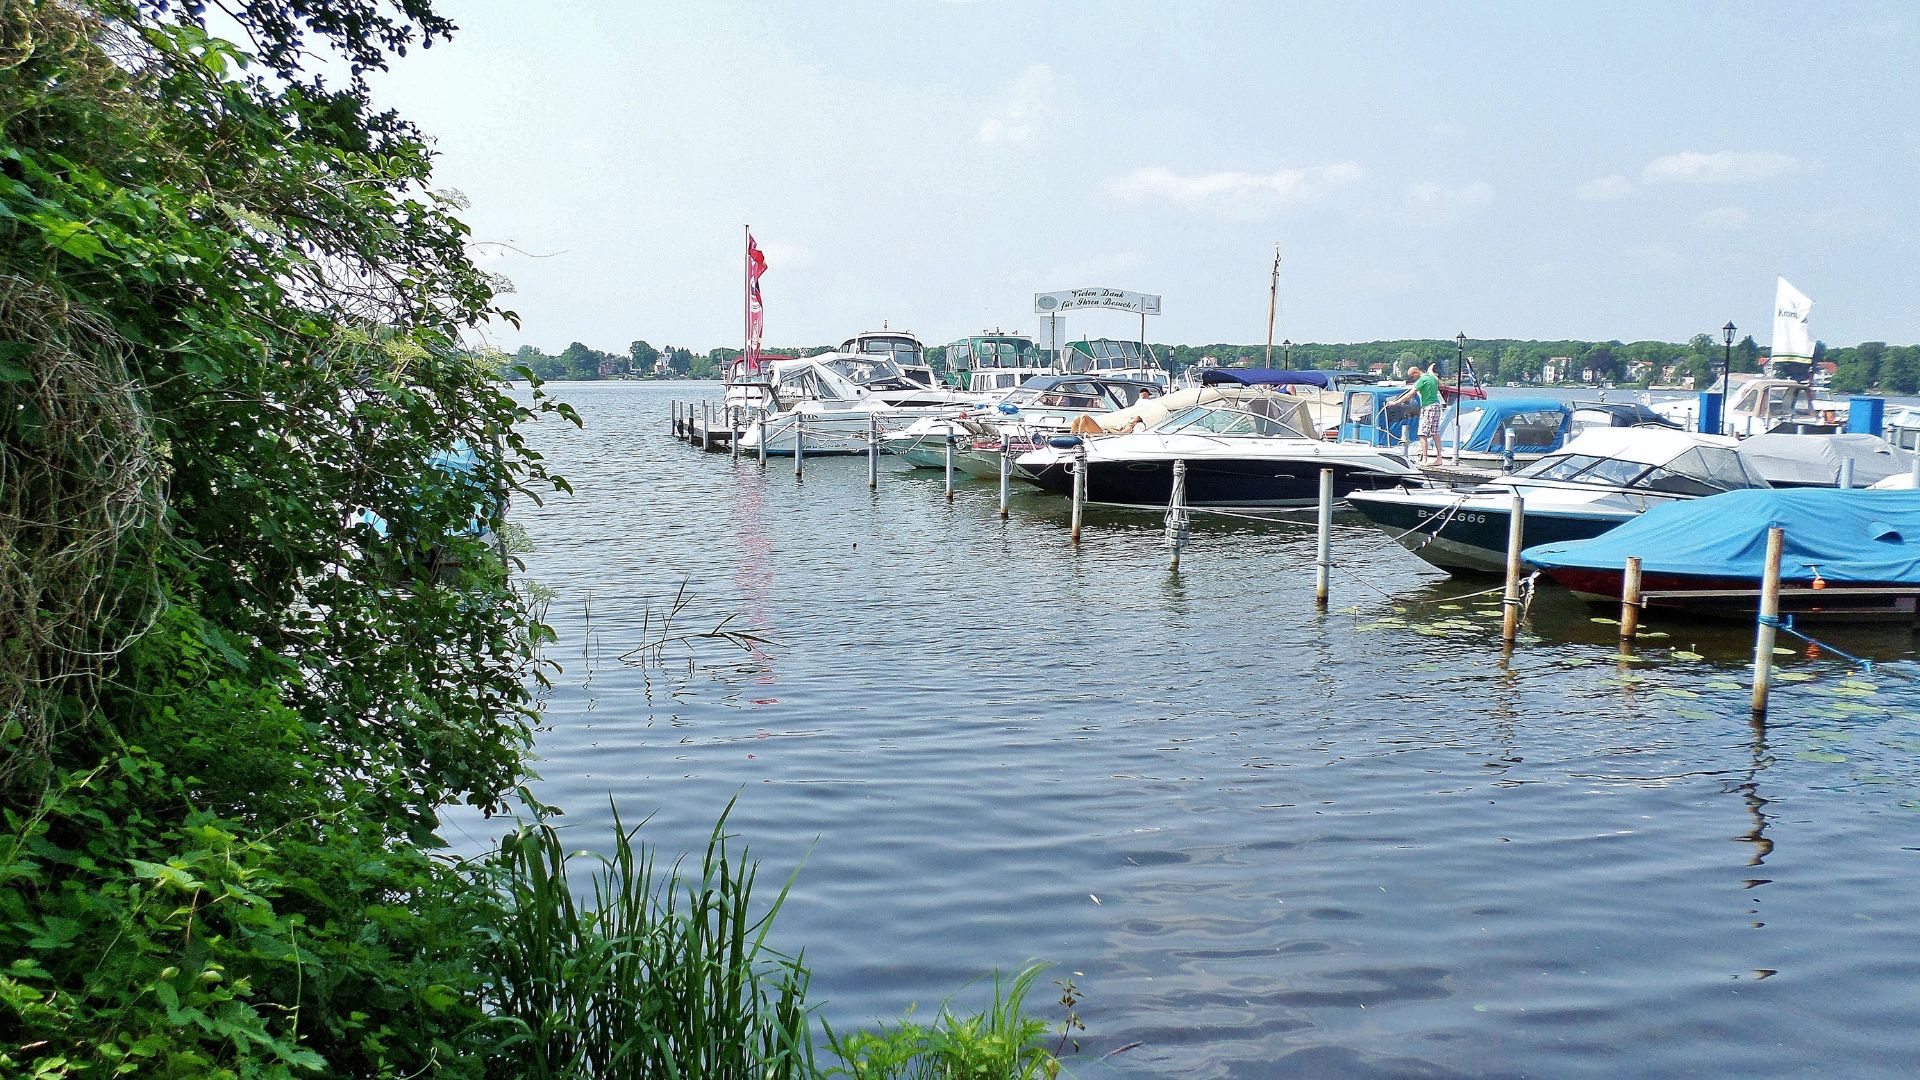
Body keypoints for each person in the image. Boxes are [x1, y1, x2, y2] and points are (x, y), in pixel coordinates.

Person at [1392, 365, 1444, 465]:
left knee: (1422, 433)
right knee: (1434, 433)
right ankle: (1439, 458)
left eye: (1412, 376)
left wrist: (1396, 402)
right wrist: (1431, 372)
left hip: (1428, 406)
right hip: (1437, 405)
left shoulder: (1422, 380)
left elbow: (1410, 394)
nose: (1413, 378)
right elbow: (1441, 385)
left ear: (1416, 373)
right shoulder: (1431, 378)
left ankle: (1424, 459)